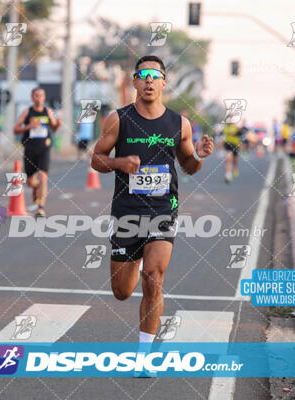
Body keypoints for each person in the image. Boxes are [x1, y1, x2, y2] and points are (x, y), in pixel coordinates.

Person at [91, 55, 214, 376]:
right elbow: (96, 159)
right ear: (134, 82)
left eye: (155, 75)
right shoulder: (118, 120)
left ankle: (144, 357)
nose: (148, 81)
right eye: (142, 75)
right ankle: (136, 261)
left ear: (163, 83)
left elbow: (188, 167)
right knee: (121, 291)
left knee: (154, 281)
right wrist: (120, 164)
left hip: (163, 210)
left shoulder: (180, 124)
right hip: (127, 212)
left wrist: (198, 156)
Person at [13, 87, 61, 217]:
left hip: (44, 148)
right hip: (30, 148)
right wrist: (29, 126)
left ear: (44, 97)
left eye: (40, 95)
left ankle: (41, 208)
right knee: (30, 181)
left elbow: (54, 127)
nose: (38, 98)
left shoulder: (48, 112)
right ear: (32, 98)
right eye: (36, 95)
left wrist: (58, 124)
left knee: (43, 177)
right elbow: (16, 129)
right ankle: (35, 188)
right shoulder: (27, 112)